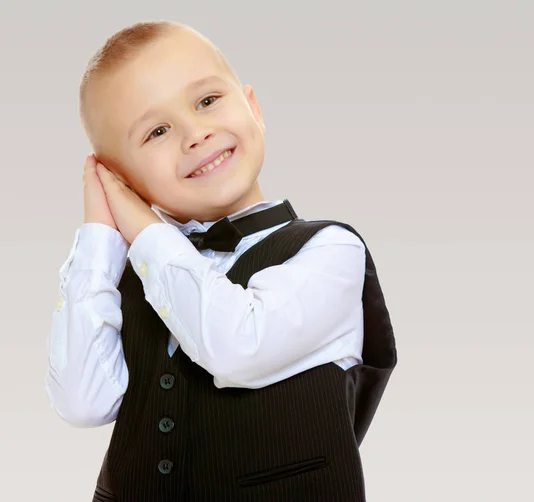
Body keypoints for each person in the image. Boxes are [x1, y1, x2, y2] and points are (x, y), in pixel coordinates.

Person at [45, 20, 397, 502]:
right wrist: (101, 238)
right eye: (157, 131)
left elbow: (237, 346)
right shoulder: (137, 277)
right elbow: (83, 402)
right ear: (121, 179)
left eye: (207, 101)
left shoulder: (329, 252)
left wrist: (145, 232)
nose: (195, 134)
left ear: (252, 107)